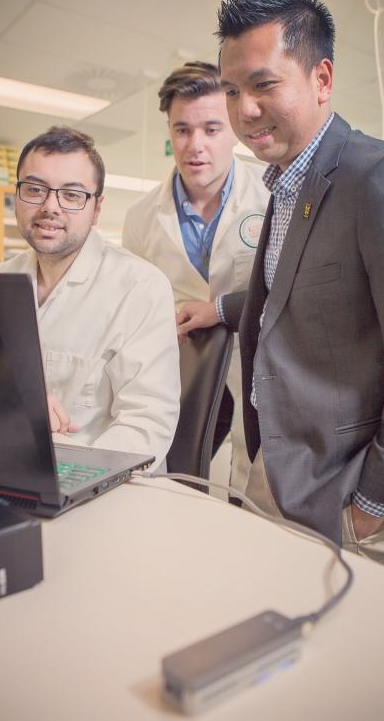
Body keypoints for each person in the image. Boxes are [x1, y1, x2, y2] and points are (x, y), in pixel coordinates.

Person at [176, 0, 384, 567]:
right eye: (231, 90)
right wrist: (220, 309)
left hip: (339, 490)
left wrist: (372, 502)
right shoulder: (287, 180)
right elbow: (295, 283)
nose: (244, 110)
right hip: (272, 468)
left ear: (321, 79)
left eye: (264, 85)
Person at [0, 126, 180, 471]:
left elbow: (146, 425)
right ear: (16, 196)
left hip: (106, 490)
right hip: (5, 469)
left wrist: (70, 475)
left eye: (72, 195)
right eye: (34, 190)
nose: (50, 207)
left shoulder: (140, 287)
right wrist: (15, 404)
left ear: (96, 209)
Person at [123, 61, 268, 494]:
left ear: (235, 127)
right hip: (182, 365)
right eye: (182, 129)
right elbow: (135, 304)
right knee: (175, 476)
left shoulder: (272, 194)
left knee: (254, 482)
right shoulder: (141, 217)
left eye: (211, 128)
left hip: (254, 362)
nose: (195, 145)